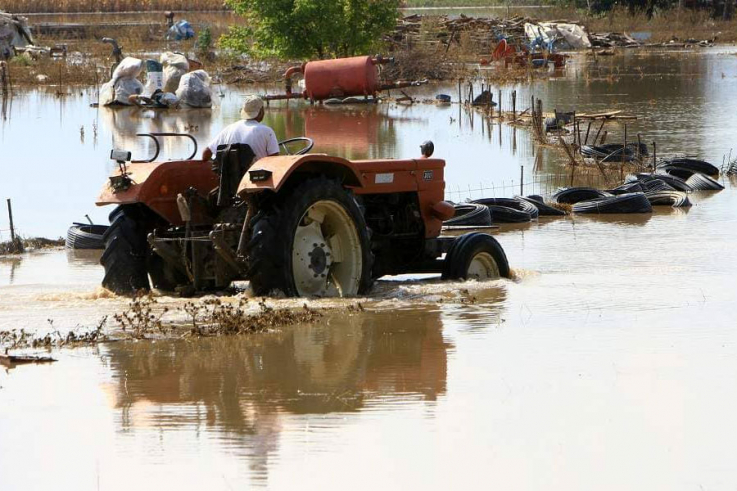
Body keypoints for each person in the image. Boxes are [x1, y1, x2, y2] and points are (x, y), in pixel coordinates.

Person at [201, 95, 280, 162]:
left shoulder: (228, 129)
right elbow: (274, 160)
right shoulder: (267, 131)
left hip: (231, 179)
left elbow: (205, 154)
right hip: (258, 178)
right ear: (261, 112)